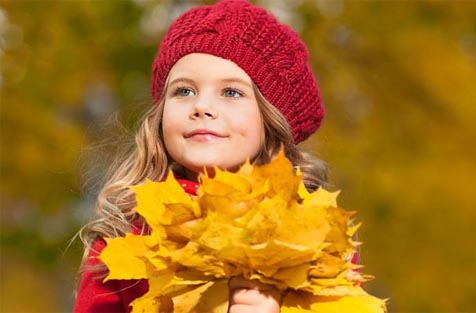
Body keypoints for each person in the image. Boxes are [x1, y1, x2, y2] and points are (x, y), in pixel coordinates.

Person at [74, 0, 331, 312]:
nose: (201, 106)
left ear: (271, 122)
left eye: (231, 93)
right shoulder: (126, 237)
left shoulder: (311, 236)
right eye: (184, 91)